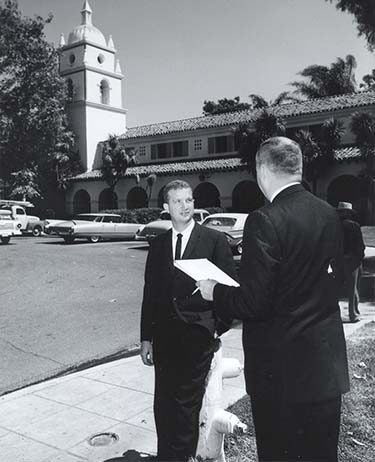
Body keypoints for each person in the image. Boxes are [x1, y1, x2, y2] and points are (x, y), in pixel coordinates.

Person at [198, 137, 350, 462]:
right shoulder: (328, 214)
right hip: (325, 369)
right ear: (299, 168)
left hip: (281, 379)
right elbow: (329, 277)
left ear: (263, 170)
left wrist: (216, 291)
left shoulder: (264, 219)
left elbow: (254, 303)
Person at [140, 179, 237, 462]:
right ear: (166, 207)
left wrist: (215, 328)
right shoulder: (157, 246)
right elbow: (151, 294)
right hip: (165, 342)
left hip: (197, 339)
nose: (186, 206)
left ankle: (180, 458)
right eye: (179, 201)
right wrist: (147, 337)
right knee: (164, 406)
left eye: (190, 200)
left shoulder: (214, 241)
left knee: (185, 408)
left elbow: (231, 291)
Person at [337, 201, 365, 323]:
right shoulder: (354, 226)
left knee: (336, 288)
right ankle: (353, 314)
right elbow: (360, 245)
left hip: (340, 259)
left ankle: (337, 314)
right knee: (353, 288)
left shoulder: (334, 225)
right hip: (353, 260)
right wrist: (359, 257)